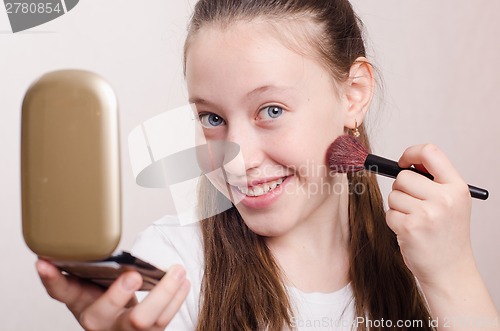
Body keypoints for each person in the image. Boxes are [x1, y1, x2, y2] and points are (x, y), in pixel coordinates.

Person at [35, 0, 500, 330]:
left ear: (352, 95)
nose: (238, 161)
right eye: (212, 118)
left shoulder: (422, 259)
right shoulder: (172, 269)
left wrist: (452, 274)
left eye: (271, 111)